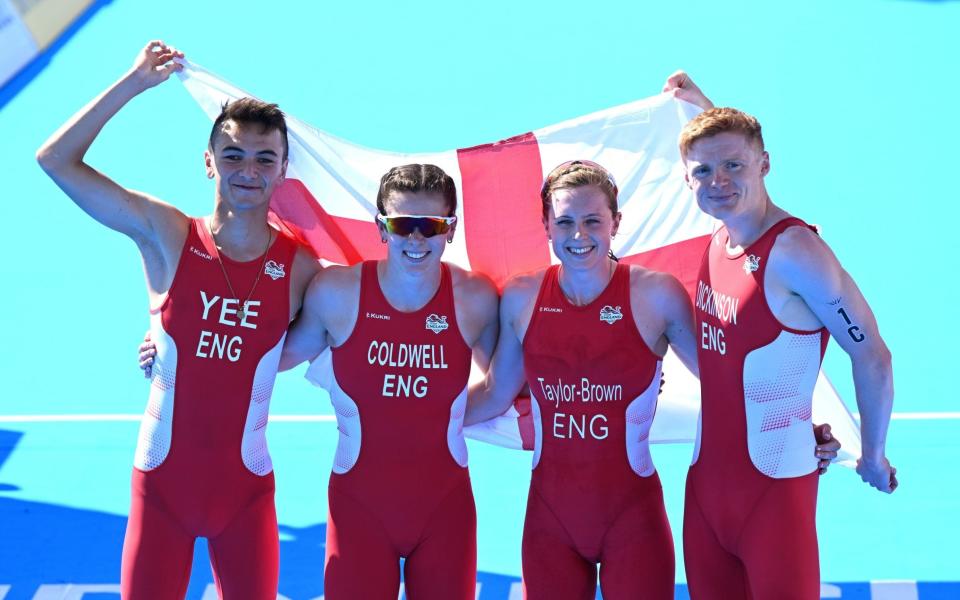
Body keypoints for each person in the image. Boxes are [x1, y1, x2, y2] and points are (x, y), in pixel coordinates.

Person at [36, 41, 319, 599]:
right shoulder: (167, 234)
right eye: (233, 155)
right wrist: (133, 83)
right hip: (160, 491)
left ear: (285, 169)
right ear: (208, 161)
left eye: (265, 158)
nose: (248, 170)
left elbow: (345, 328)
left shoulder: (305, 269)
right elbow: (55, 161)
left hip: (246, 497)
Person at [666, 77, 897, 599]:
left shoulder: (797, 253)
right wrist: (704, 109)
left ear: (765, 165)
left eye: (734, 166)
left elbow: (873, 355)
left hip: (774, 499)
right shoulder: (717, 240)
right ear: (686, 179)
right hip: (703, 495)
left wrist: (873, 456)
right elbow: (732, 149)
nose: (718, 180)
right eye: (703, 170)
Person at [464, 159, 693, 599]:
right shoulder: (523, 296)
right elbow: (495, 394)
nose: (578, 235)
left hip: (634, 518)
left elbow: (721, 378)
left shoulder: (655, 294)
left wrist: (796, 426)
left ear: (616, 222)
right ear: (546, 226)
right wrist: (411, 420)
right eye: (565, 222)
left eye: (593, 221)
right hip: (551, 522)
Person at [277, 164, 499, 599]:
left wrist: (611, 376)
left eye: (429, 226)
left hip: (444, 511)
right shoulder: (336, 293)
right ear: (381, 227)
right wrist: (175, 345)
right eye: (402, 225)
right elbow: (269, 359)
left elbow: (513, 385)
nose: (415, 239)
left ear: (450, 230)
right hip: (359, 507)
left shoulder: (474, 298)